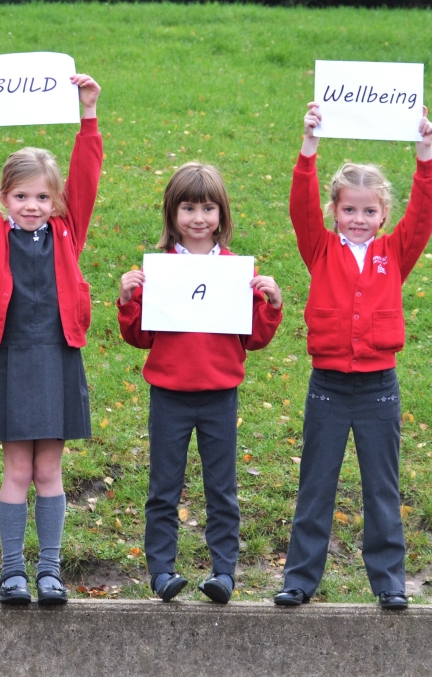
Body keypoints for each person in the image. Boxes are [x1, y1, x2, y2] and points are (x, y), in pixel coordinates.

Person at [0, 73, 103, 605]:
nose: (32, 204)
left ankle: (50, 572)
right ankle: (12, 571)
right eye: (20, 195)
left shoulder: (66, 231)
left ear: (56, 200)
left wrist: (88, 115)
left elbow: (87, 175)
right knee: (16, 468)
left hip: (56, 357)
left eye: (42, 196)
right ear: (4, 196)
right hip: (9, 358)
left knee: (49, 469)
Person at [276, 101, 432, 610]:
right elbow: (299, 206)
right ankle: (300, 580)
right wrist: (309, 148)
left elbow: (424, 214)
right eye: (349, 210)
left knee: (381, 491)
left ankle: (389, 581)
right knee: (316, 487)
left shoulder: (395, 252)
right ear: (335, 211)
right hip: (327, 386)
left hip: (378, 388)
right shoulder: (319, 247)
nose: (359, 219)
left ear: (383, 214)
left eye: (370, 211)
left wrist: (425, 153)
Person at [117, 162, 283, 603]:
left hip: (219, 395)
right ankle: (161, 572)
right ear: (172, 214)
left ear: (222, 214)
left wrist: (272, 303)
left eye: (208, 208)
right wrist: (128, 300)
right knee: (163, 488)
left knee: (222, 488)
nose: (198, 218)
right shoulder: (159, 271)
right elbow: (139, 337)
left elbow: (254, 338)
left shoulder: (234, 272)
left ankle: (224, 573)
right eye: (188, 208)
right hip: (169, 395)